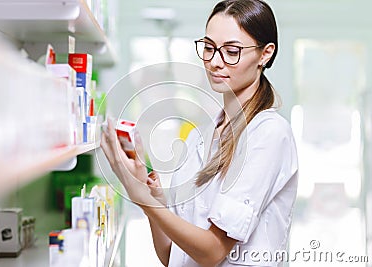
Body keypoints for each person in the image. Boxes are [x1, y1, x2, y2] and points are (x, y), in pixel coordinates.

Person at [100, 0, 299, 266]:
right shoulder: (202, 134)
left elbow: (212, 252)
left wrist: (144, 200)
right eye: (208, 48)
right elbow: (173, 255)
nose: (215, 62)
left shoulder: (270, 134)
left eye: (232, 51)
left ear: (265, 54)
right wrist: (153, 199)